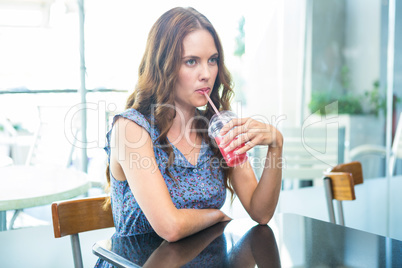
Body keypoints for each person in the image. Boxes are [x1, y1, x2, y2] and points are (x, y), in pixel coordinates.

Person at [100, 5, 283, 255]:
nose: (206, 74)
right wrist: (216, 215)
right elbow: (170, 227)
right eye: (191, 62)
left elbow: (260, 212)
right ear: (163, 66)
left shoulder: (216, 129)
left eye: (212, 60)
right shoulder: (131, 128)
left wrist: (276, 145)